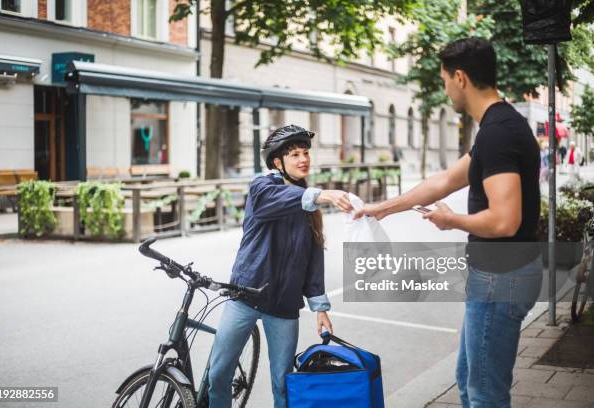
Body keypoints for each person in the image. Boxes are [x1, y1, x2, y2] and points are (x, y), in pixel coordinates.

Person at [355, 37, 542, 407]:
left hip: (500, 278)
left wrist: (452, 219)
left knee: (485, 395)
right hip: (500, 275)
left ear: (460, 78)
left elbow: (505, 220)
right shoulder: (498, 126)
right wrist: (384, 208)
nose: (445, 92)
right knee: (467, 378)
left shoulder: (499, 132)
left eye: (443, 81)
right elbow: (444, 180)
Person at [207, 125, 353, 408]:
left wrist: (320, 307)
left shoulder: (309, 207)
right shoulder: (262, 188)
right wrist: (318, 195)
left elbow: (312, 260)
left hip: (284, 307)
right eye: (295, 154)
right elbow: (269, 203)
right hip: (244, 297)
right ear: (278, 162)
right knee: (218, 375)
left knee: (283, 385)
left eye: (306, 153)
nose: (303, 159)